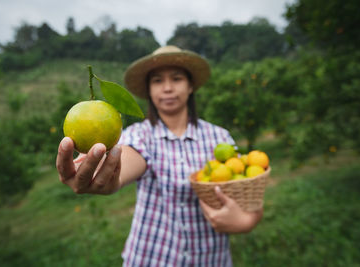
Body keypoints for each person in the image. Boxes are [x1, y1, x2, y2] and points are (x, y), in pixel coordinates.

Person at [56, 45, 263, 266]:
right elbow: (128, 158)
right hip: (151, 258)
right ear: (149, 90)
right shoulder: (139, 135)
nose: (167, 88)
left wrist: (246, 221)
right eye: (157, 81)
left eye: (176, 79)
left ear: (190, 85)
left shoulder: (220, 138)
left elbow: (247, 191)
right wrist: (105, 174)